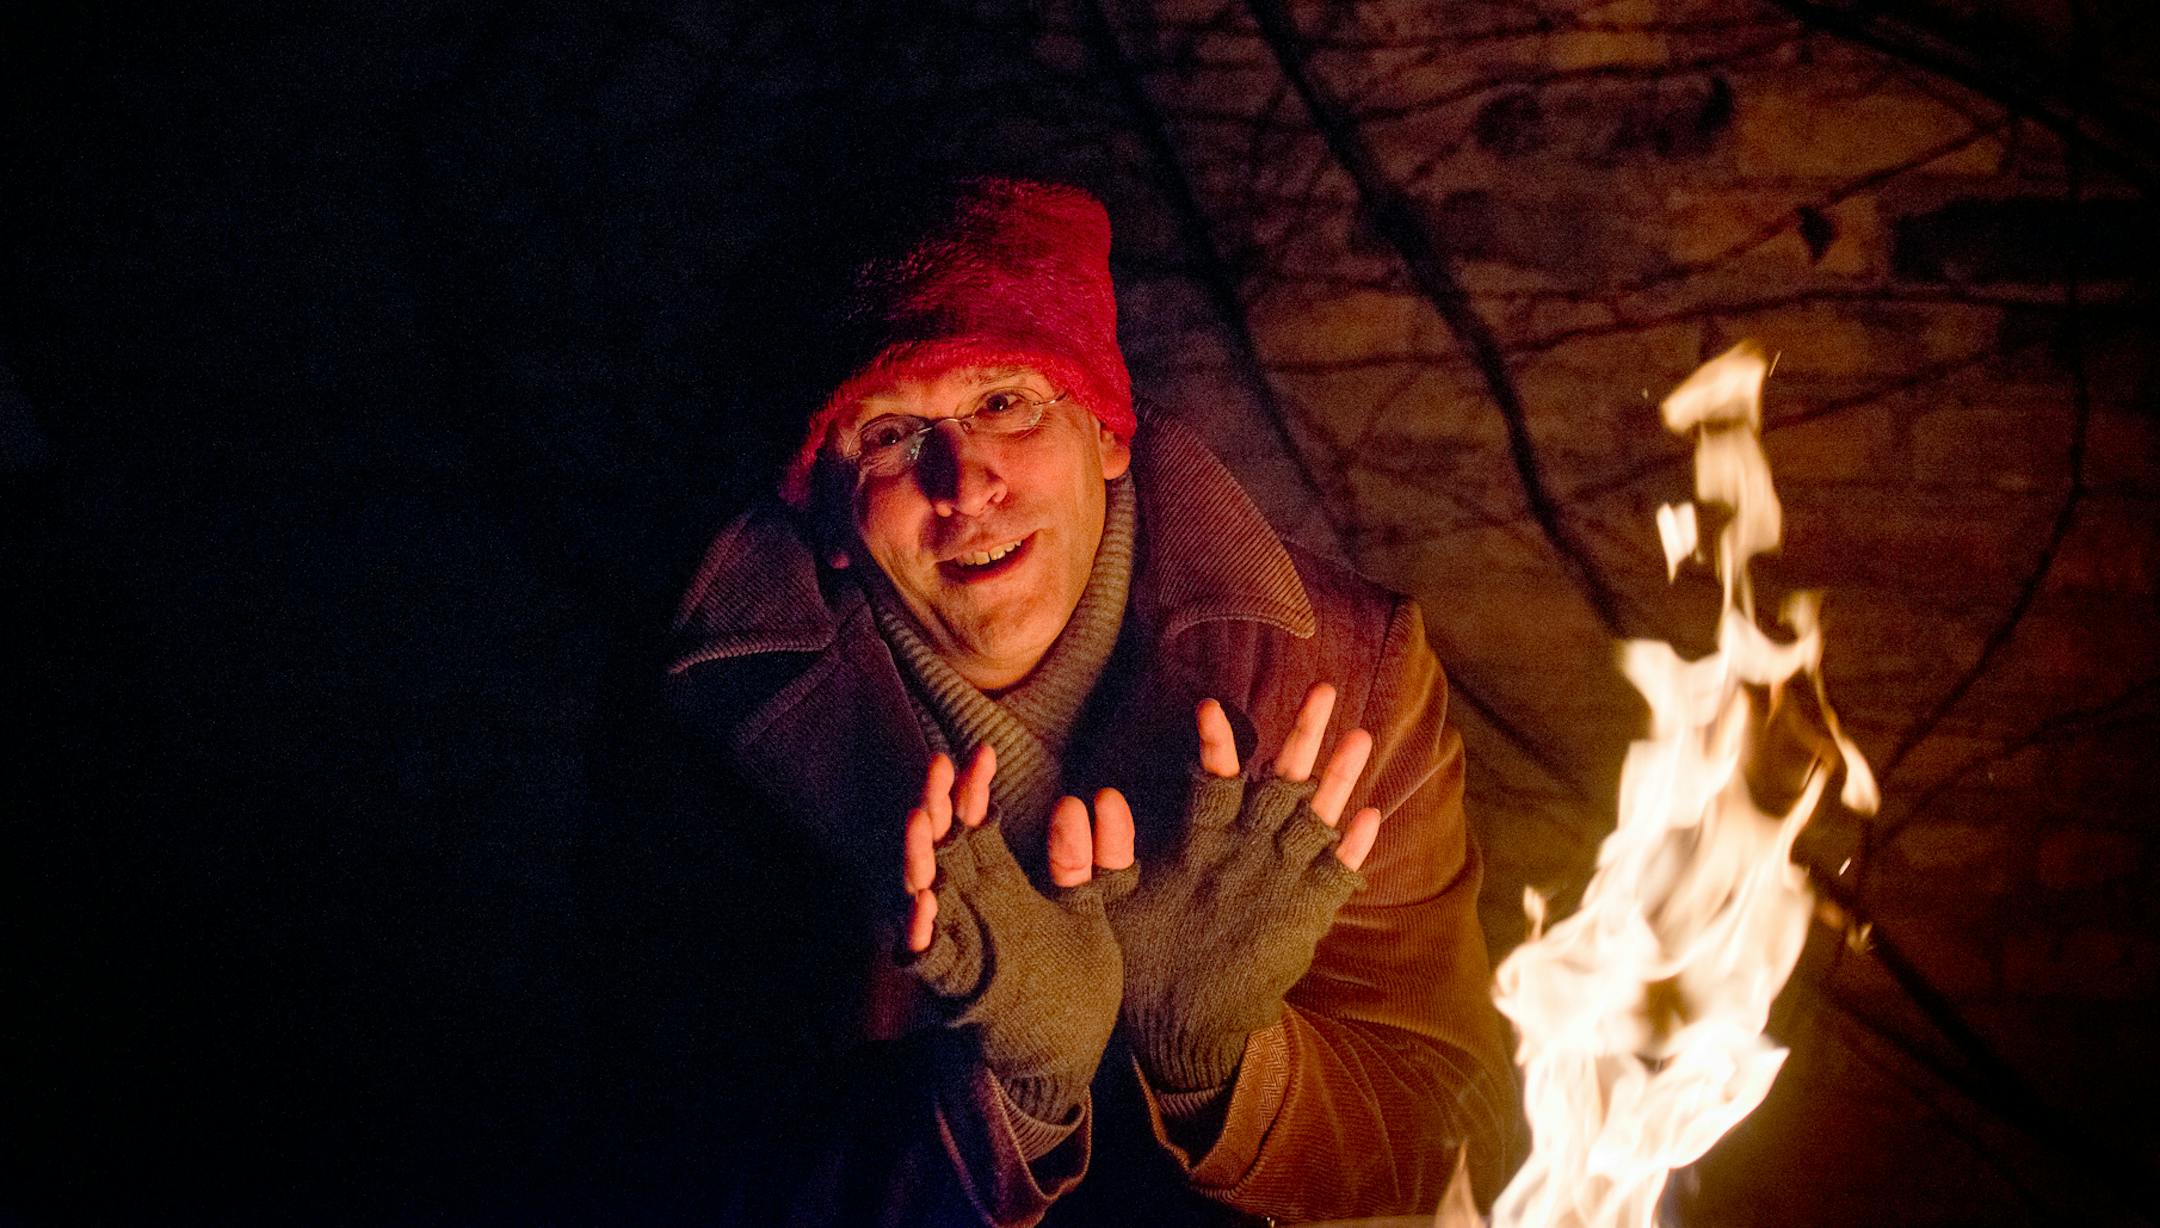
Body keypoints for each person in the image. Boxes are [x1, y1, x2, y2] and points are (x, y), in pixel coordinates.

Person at [603, 177, 1517, 1227]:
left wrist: (1221, 1066)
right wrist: (1013, 1099)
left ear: (1108, 431)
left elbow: (1457, 1127)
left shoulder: (1344, 673)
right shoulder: (706, 730)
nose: (965, 482)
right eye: (891, 434)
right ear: (830, 513)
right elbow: (669, 1170)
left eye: (1005, 403)